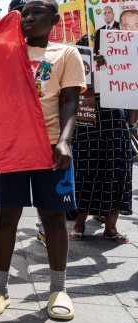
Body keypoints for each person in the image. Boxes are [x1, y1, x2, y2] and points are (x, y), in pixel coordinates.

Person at [0, 0, 86, 320]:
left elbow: (70, 102)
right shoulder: (8, 50)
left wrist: (64, 142)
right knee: (4, 216)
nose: (28, 18)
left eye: (37, 12)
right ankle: (0, 288)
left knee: (54, 218)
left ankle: (58, 289)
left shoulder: (66, 54)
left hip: (50, 147)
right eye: (24, 13)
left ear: (54, 20)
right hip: (11, 146)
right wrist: (4, 25)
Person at [68, 16, 135, 245]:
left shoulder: (128, 61)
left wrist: (133, 126)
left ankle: (111, 227)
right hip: (87, 127)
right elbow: (72, 94)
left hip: (116, 127)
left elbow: (133, 98)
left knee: (116, 176)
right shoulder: (81, 62)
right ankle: (79, 225)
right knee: (87, 174)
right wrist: (95, 68)